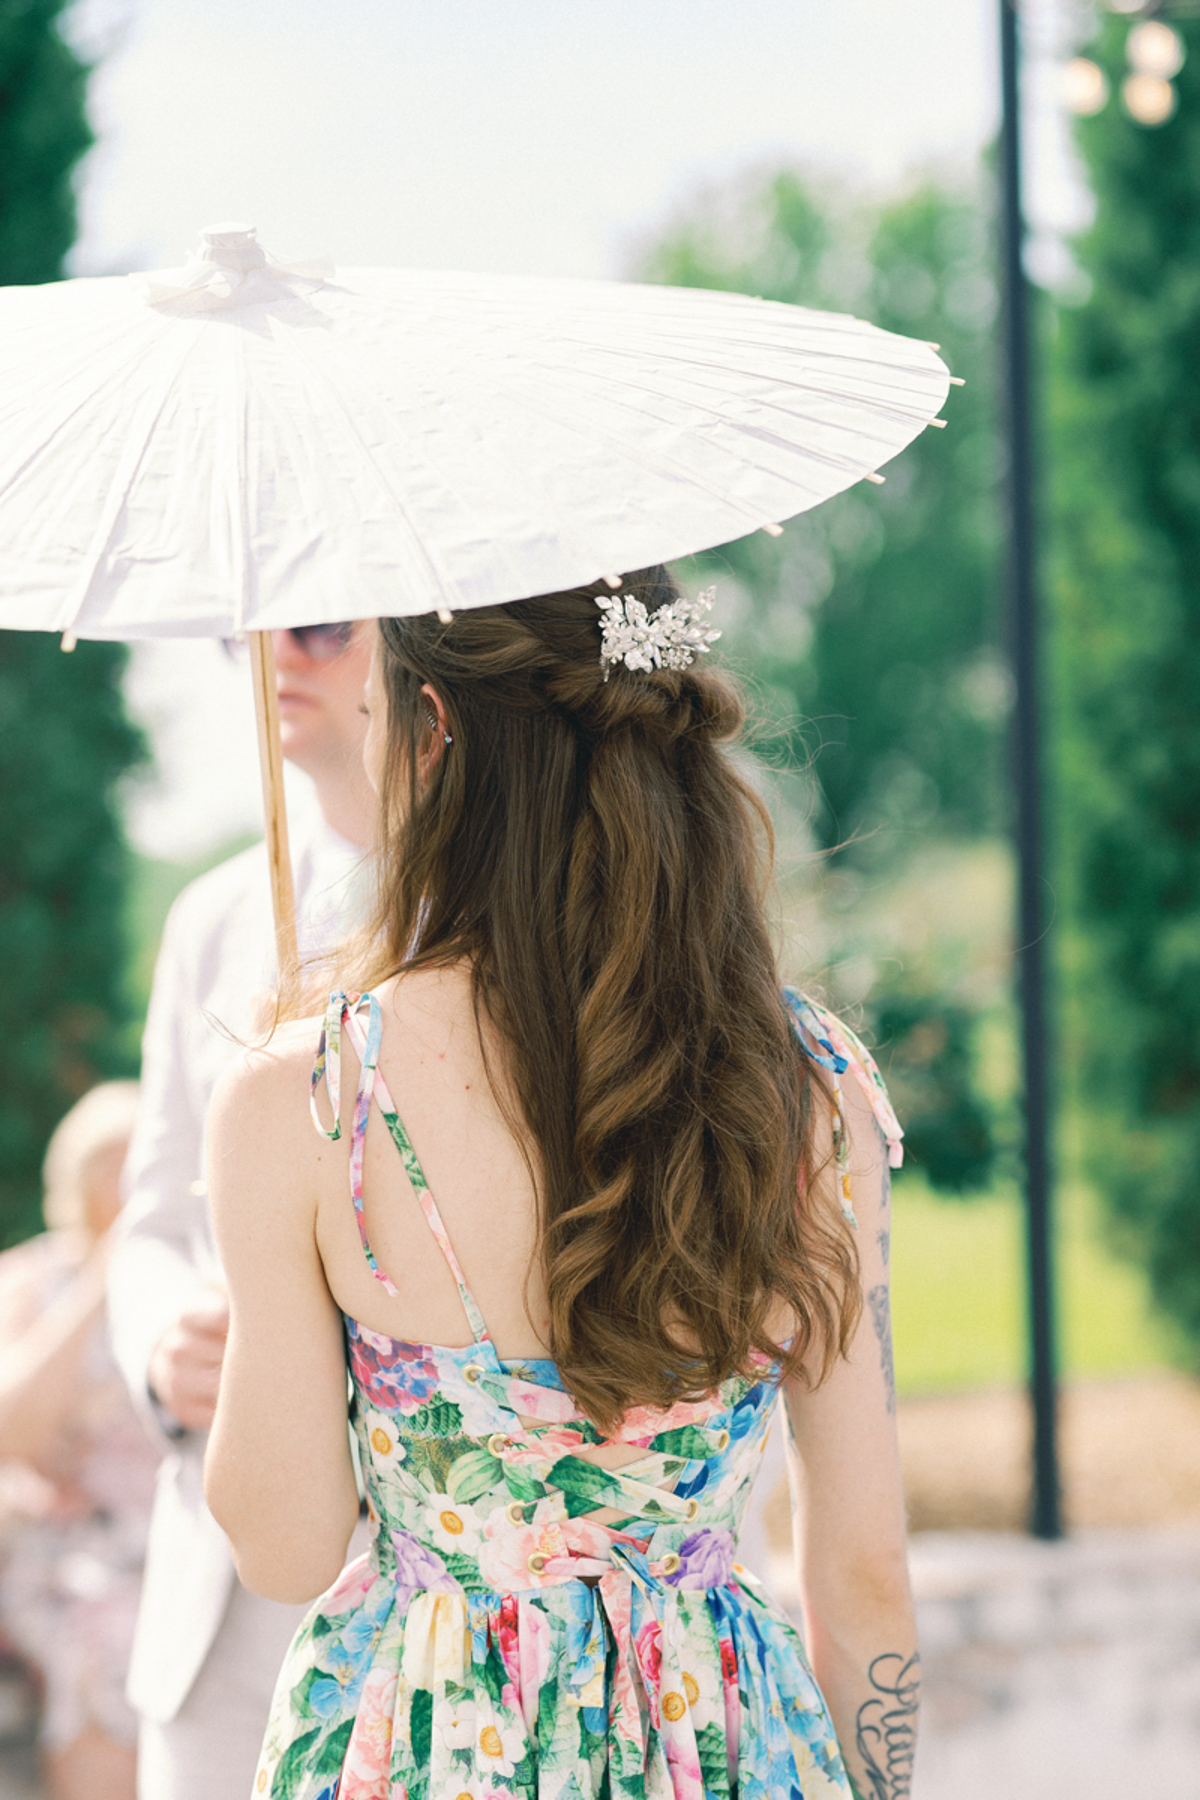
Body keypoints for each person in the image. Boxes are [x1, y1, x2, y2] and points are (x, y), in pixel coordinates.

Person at [205, 570, 917, 1800]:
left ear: (434, 732)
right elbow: (860, 1572)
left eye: (374, 716)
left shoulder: (309, 1098)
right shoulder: (807, 1089)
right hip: (725, 1751)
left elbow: (284, 1545)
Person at [107, 622, 378, 1800]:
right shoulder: (213, 919)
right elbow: (152, 1214)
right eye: (238, 632)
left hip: (437, 1579)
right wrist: (163, 1336)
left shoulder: (517, 920)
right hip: (218, 1619)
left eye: (320, 624)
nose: (274, 654)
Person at [0, 1081, 158, 1800]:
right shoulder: (34, 1277)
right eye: (110, 1170)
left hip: (173, 1540)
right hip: (73, 1552)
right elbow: (12, 1432)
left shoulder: (193, 1289)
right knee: (109, 1633)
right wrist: (104, 1274)